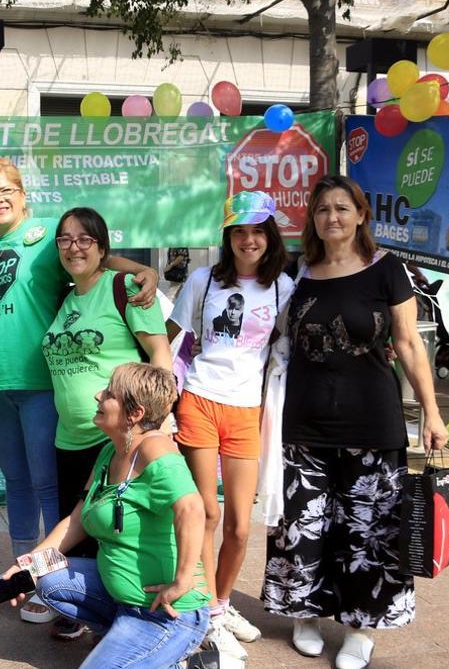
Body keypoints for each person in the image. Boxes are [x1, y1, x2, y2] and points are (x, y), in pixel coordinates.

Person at [262, 175, 448, 669]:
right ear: (314, 220)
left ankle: (361, 629)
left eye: (343, 208)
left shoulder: (388, 270)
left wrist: (432, 411)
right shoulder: (300, 272)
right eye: (323, 210)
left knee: (368, 530)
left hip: (372, 422)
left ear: (361, 214)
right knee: (301, 527)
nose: (332, 218)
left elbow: (408, 343)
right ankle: (304, 614)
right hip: (302, 424)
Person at [0, 158, 158, 625]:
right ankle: (23, 574)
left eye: (4, 189)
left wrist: (142, 271)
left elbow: (94, 255)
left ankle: (50, 577)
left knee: (49, 486)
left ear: (22, 193)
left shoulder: (50, 232)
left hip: (41, 386)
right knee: (15, 484)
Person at [0, 363, 210, 669]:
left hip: (165, 614)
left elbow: (192, 508)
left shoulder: (156, 449)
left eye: (109, 393)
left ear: (134, 414)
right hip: (122, 601)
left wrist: (182, 581)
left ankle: (172, 654)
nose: (99, 395)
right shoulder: (111, 452)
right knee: (46, 579)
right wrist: (27, 567)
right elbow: (76, 521)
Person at [166, 190, 294, 661]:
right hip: (199, 400)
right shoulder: (203, 280)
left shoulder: (283, 286)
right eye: (239, 231)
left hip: (246, 411)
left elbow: (286, 347)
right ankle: (207, 614)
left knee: (241, 525)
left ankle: (220, 602)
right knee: (208, 512)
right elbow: (173, 337)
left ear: (269, 235)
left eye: (257, 230)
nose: (248, 239)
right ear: (228, 237)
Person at [41, 207, 171, 636]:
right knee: (78, 532)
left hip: (116, 439)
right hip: (69, 438)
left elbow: (160, 358)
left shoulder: (125, 288)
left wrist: (157, 423)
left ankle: (134, 625)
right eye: (65, 239)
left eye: (84, 239)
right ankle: (87, 615)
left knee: (118, 535)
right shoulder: (65, 297)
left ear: (102, 247)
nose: (73, 247)